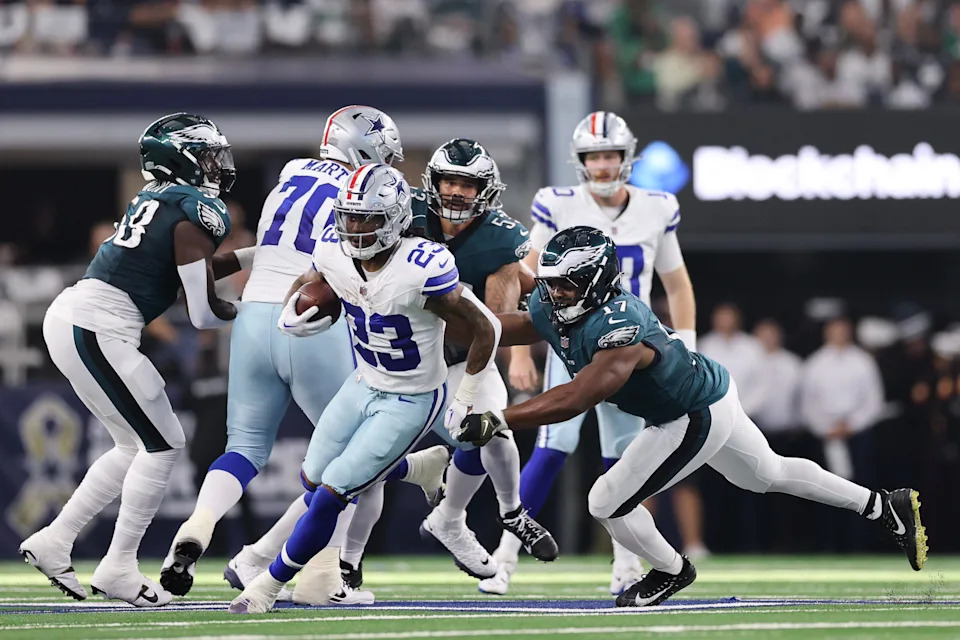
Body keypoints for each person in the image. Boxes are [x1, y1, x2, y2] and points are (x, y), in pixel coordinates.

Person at [458, 226, 928, 607]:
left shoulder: (621, 326)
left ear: (597, 283)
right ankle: (885, 506)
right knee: (769, 473)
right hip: (708, 391)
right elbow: (516, 326)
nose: (553, 292)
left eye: (565, 284)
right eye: (550, 281)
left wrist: (500, 418)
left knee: (604, 501)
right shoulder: (554, 300)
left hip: (690, 414)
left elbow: (580, 395)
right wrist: (453, 322)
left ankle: (671, 569)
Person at [160, 106, 448, 603]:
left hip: (253, 316)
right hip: (314, 311)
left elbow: (275, 246)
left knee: (244, 447)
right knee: (352, 453)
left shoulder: (289, 175)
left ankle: (199, 526)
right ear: (365, 149)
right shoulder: (362, 191)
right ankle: (321, 577)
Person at [228, 163, 501, 614]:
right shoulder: (334, 250)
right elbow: (310, 279)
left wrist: (467, 397)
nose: (355, 228)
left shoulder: (422, 265)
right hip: (362, 383)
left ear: (394, 218)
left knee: (333, 493)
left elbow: (485, 329)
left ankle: (267, 584)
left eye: (367, 218)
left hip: (411, 397)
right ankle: (417, 469)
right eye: (350, 217)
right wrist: (291, 314)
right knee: (312, 482)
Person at [20, 113, 238, 607]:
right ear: (181, 159)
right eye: (206, 154)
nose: (216, 164)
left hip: (80, 318)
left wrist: (256, 258)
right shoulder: (194, 206)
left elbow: (191, 268)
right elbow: (203, 311)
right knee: (161, 445)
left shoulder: (161, 200)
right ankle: (118, 565)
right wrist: (258, 313)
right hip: (98, 327)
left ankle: (55, 540)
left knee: (131, 446)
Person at [487, 110, 697, 596]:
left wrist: (685, 343)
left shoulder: (657, 206)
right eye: (593, 156)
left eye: (610, 155)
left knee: (624, 457)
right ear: (580, 161)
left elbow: (677, 284)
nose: (602, 165)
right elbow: (530, 280)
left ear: (627, 158)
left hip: (628, 349)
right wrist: (522, 354)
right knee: (552, 445)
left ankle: (626, 565)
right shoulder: (557, 204)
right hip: (570, 340)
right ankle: (505, 557)